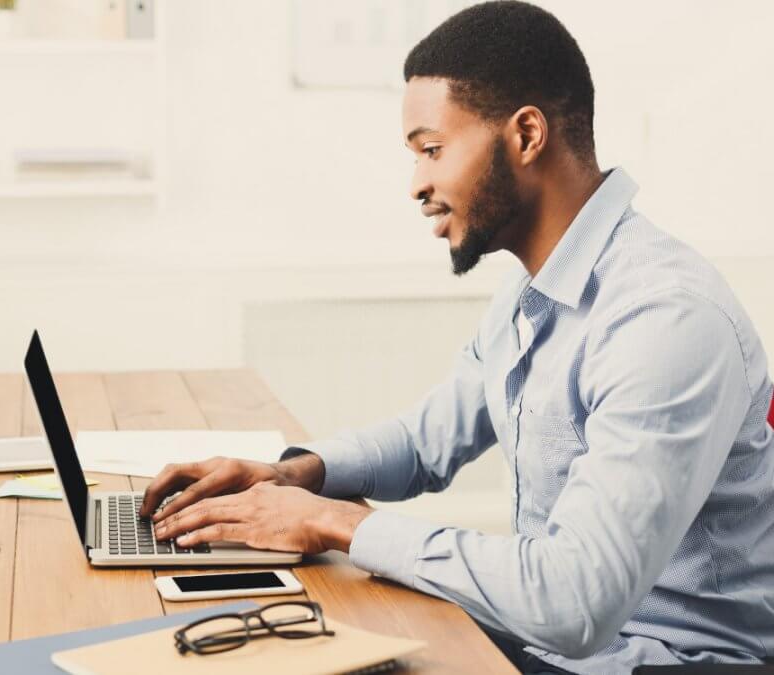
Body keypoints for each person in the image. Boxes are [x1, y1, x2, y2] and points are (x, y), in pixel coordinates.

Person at [139, 2, 774, 673]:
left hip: (669, 660)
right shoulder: (531, 291)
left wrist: (334, 521)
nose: (418, 184)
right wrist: (294, 475)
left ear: (526, 135)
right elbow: (426, 441)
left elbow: (575, 601)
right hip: (559, 646)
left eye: (432, 150)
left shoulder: (664, 320)